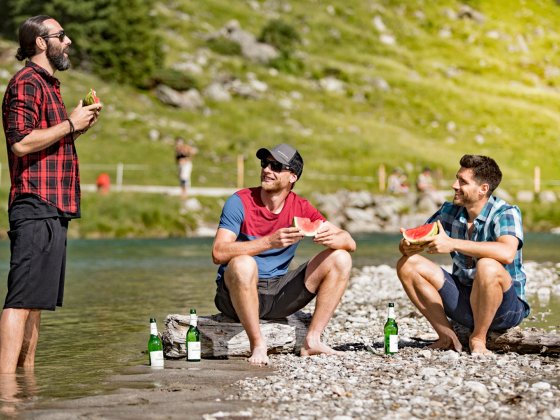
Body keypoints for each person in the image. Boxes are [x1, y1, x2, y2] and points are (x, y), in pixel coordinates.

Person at [0, 15, 102, 374]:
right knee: (20, 298)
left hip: (55, 205)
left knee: (37, 301)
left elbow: (50, 141)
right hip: (34, 203)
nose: (69, 41)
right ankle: (6, 388)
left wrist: (78, 126)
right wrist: (70, 123)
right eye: (62, 36)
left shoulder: (49, 85)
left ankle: (27, 381)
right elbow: (21, 144)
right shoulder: (26, 82)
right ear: (41, 42)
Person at [212, 143, 356, 365]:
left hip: (277, 294)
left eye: (276, 166)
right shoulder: (239, 201)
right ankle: (258, 344)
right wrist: (268, 242)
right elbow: (218, 252)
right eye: (264, 164)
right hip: (234, 295)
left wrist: (334, 238)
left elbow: (349, 241)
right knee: (243, 264)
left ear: (292, 177)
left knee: (341, 257)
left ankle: (312, 340)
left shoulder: (300, 207)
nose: (267, 170)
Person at [397, 155, 530, 354]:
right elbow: (415, 239)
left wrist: (452, 244)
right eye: (456, 178)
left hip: (505, 310)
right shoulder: (449, 211)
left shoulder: (505, 213)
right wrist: (407, 246)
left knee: (487, 266)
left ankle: (478, 337)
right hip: (465, 304)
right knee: (407, 264)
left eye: (462, 182)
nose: (454, 185)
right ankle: (446, 336)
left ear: (483, 189)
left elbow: (507, 252)